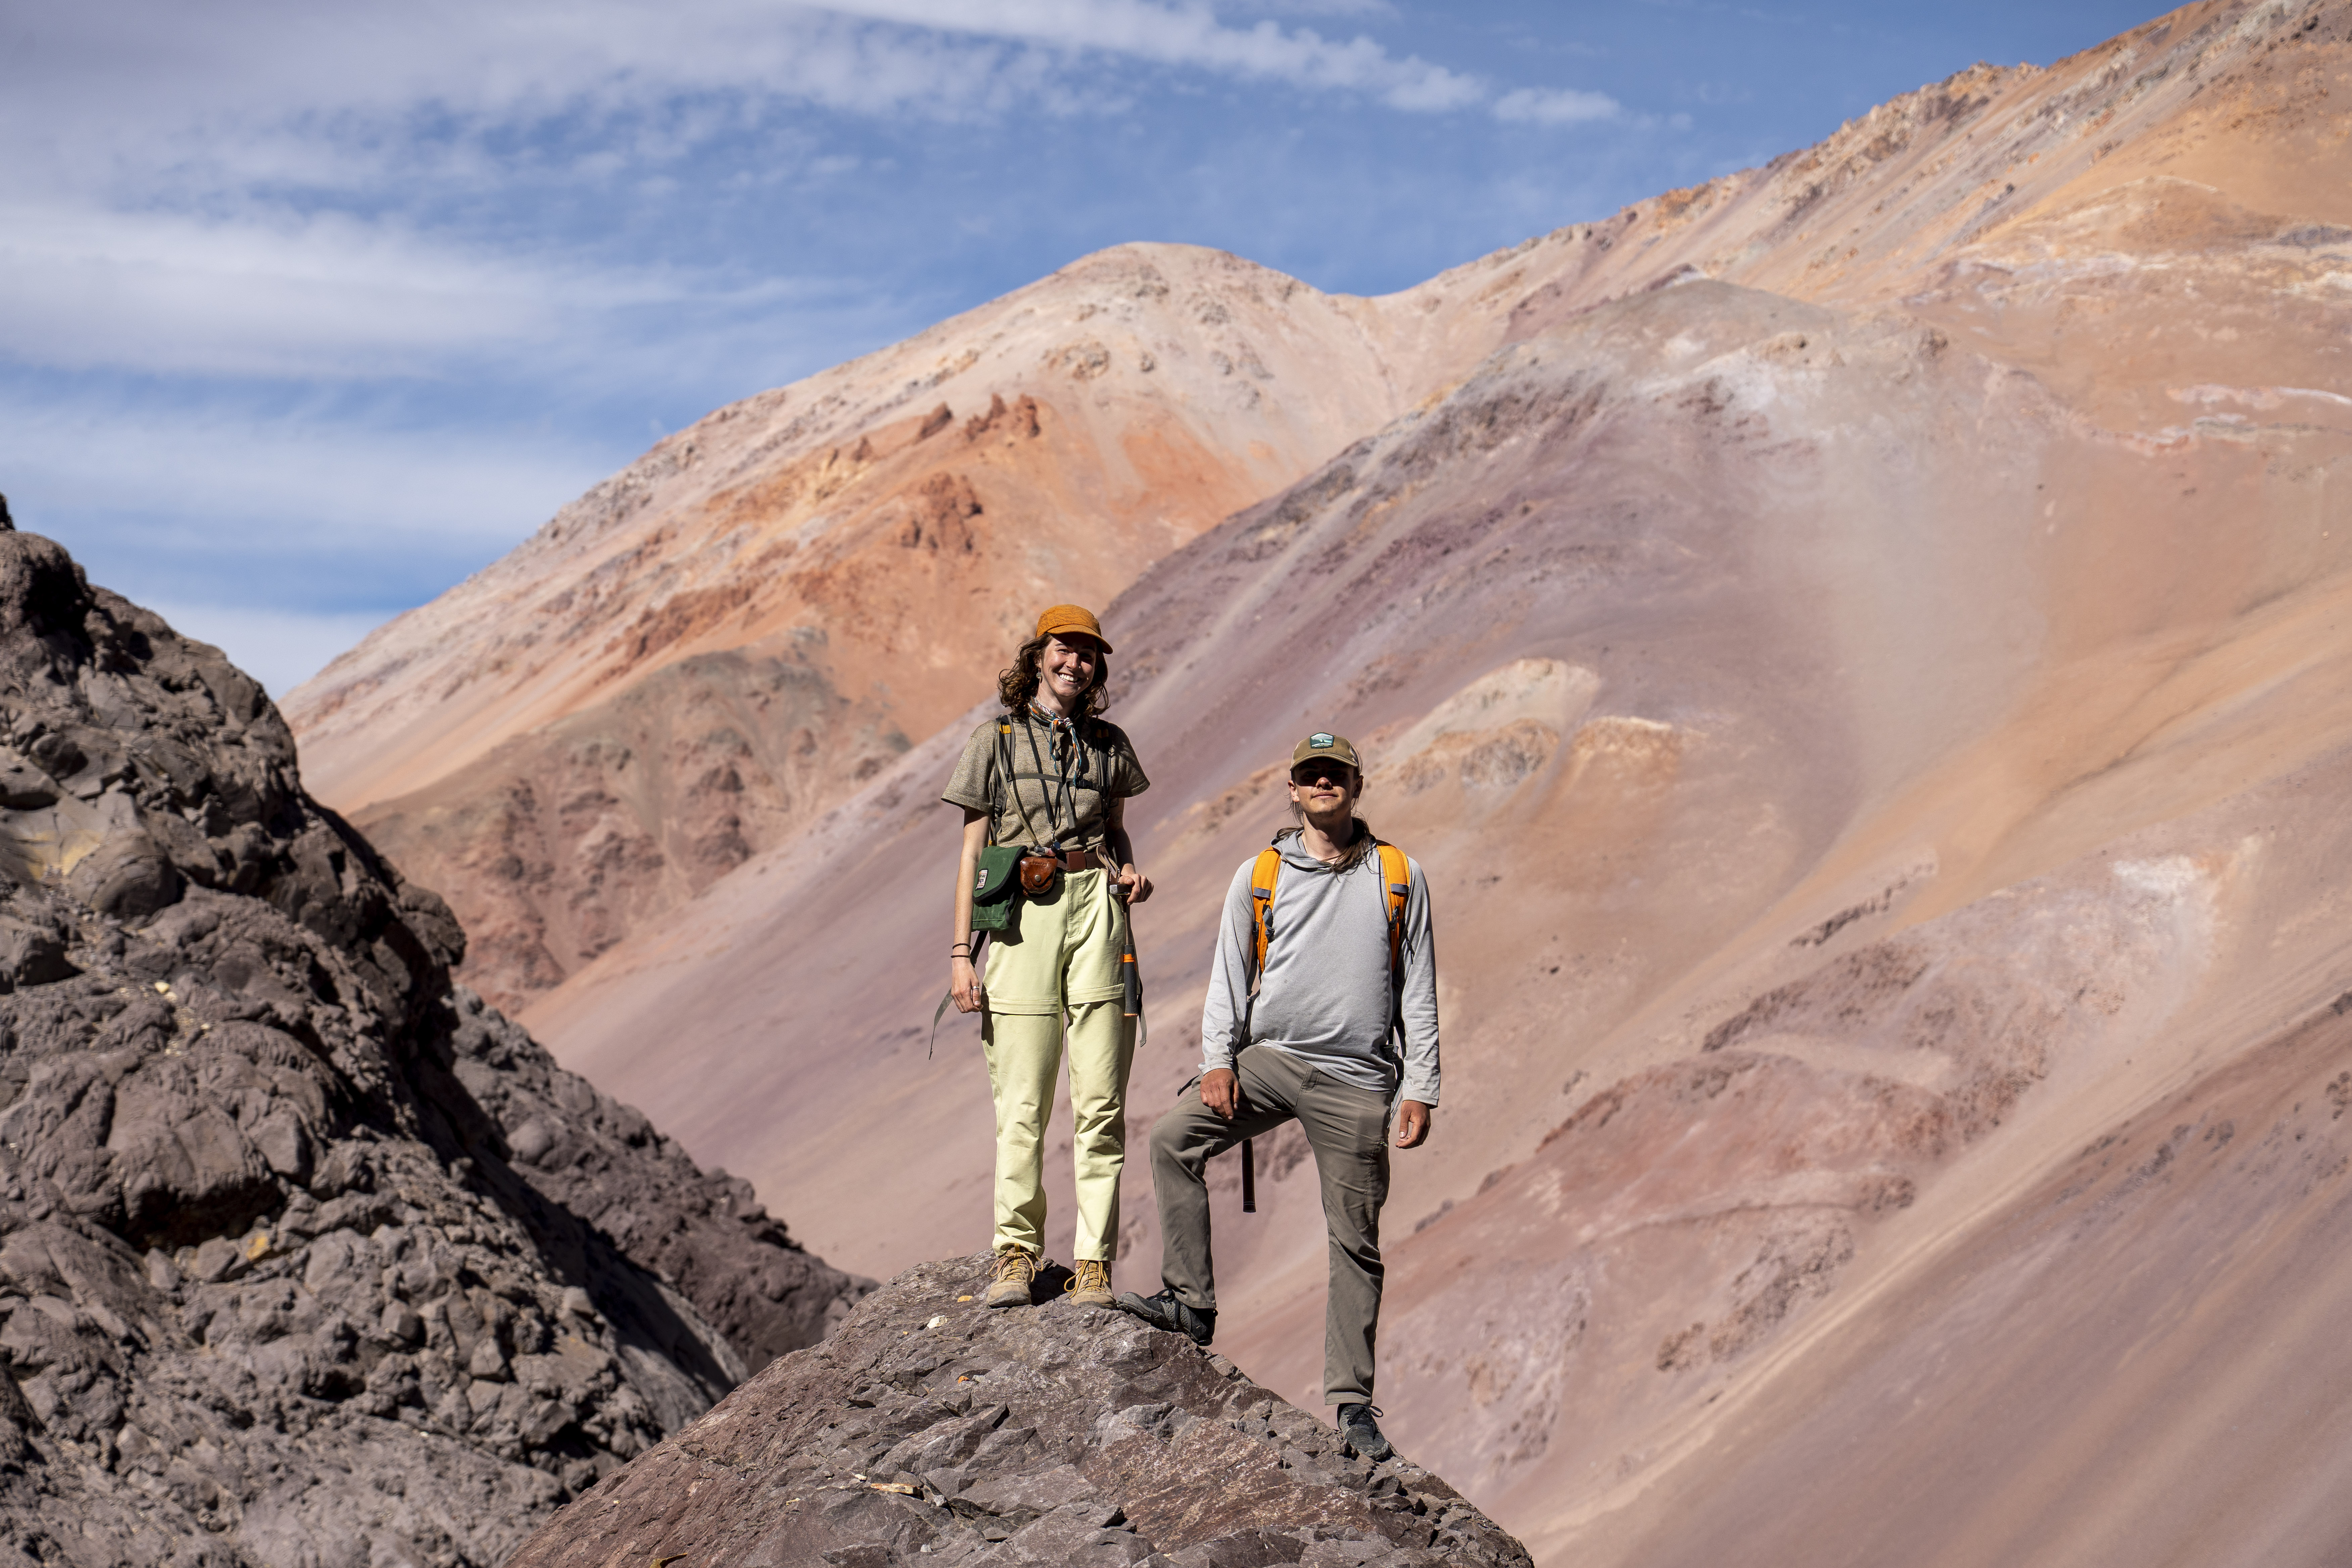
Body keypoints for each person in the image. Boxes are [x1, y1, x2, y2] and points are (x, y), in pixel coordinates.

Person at [1118, 732, 1437, 1464]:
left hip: (1358, 1076)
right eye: (1310, 775)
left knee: (1355, 1237)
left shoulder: (1398, 874)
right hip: (1271, 1060)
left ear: (1357, 786)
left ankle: (1352, 1401)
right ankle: (1190, 1304)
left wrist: (1421, 1085)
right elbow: (1230, 973)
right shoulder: (1259, 874)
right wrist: (1217, 1061)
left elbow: (1418, 985)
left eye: (1337, 774)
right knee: (1173, 1139)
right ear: (1292, 790)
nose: (1324, 783)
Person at [942, 604, 1153, 1311]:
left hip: (1097, 908)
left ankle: (1093, 1262)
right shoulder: (994, 740)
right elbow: (973, 850)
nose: (1077, 662)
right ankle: (1016, 1253)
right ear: (1038, 656)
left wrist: (1131, 871)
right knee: (1022, 1099)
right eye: (1066, 649)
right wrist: (958, 954)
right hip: (1020, 916)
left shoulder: (1110, 744)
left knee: (1100, 1100)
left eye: (1090, 653)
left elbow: (1119, 833)